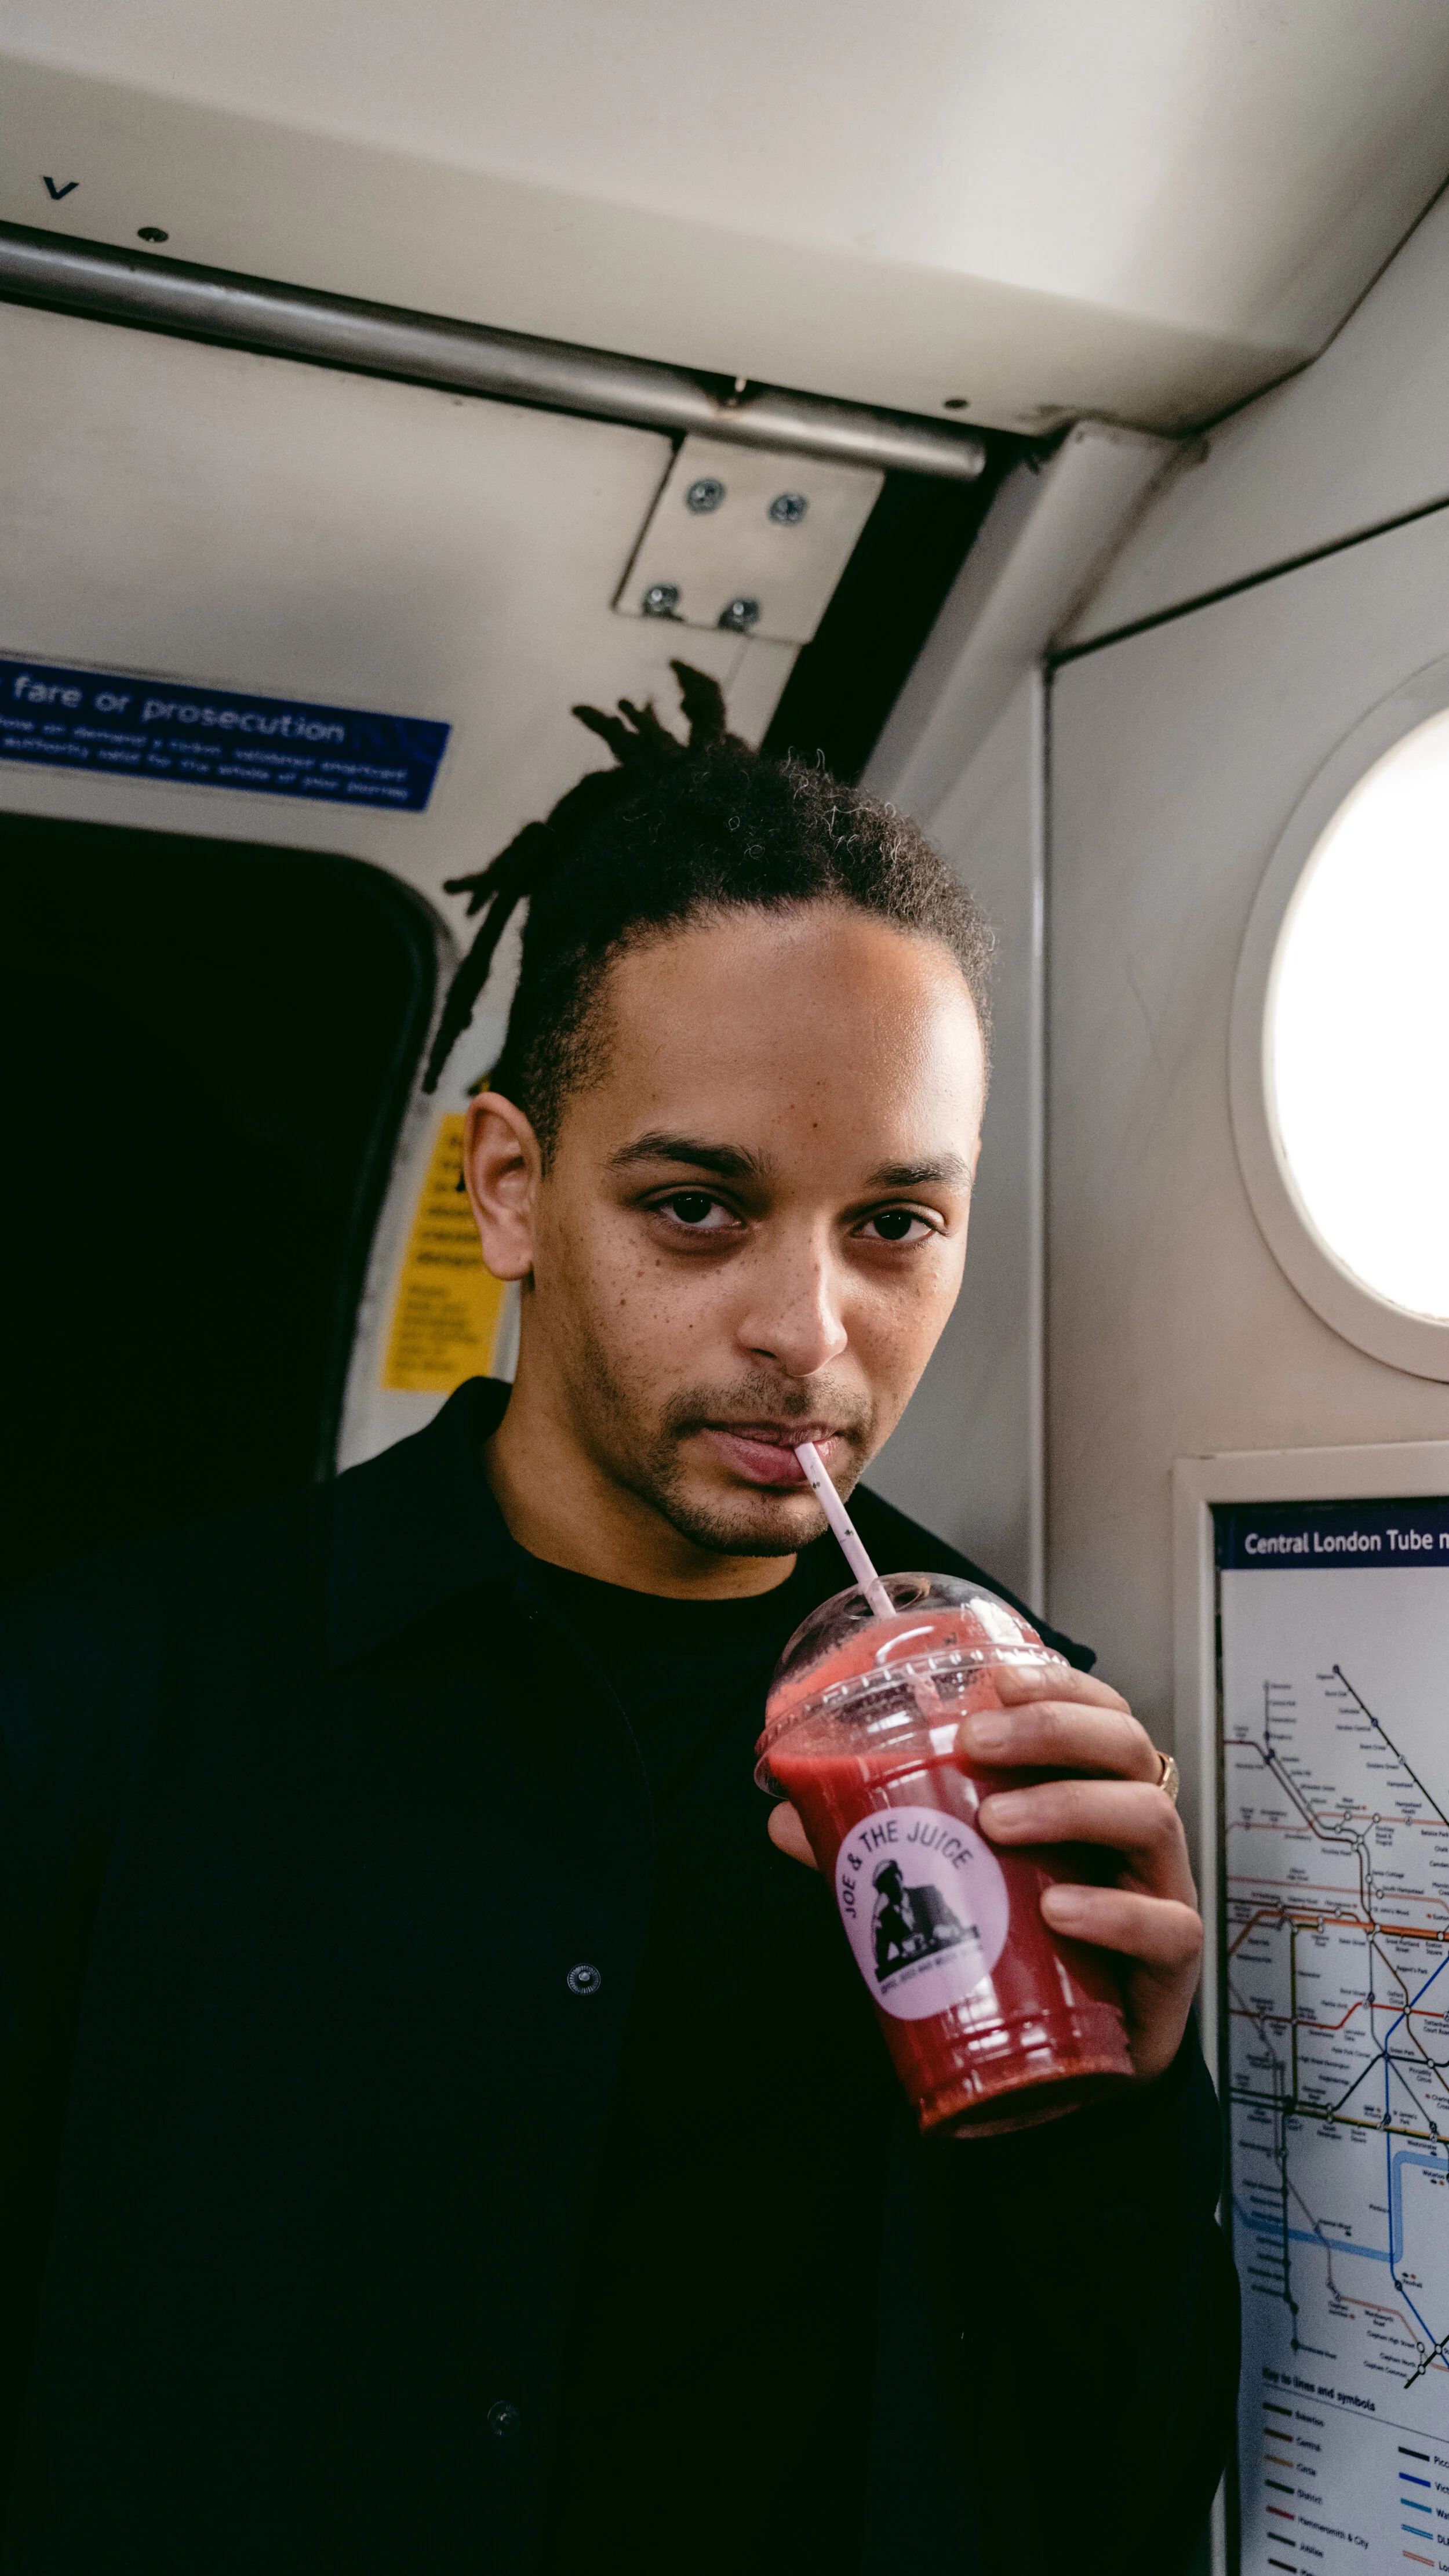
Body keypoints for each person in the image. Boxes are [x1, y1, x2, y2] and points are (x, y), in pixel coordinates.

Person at [0, 667, 1237, 2576]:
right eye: (695, 1210)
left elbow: (1106, 2495)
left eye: (894, 1225)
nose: (807, 1335)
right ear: (512, 1188)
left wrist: (1120, 2121)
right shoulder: (118, 1697)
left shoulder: (1008, 1746)